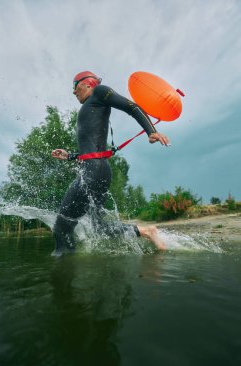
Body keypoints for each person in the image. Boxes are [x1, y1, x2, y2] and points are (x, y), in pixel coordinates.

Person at [52, 71, 170, 254]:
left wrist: (151, 131)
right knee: (98, 227)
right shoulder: (93, 105)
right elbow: (92, 150)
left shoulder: (99, 91)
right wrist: (69, 156)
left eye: (75, 87)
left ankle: (62, 271)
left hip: (93, 171)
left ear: (87, 83)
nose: (73, 92)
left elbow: (131, 106)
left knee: (61, 227)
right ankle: (145, 231)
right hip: (97, 169)